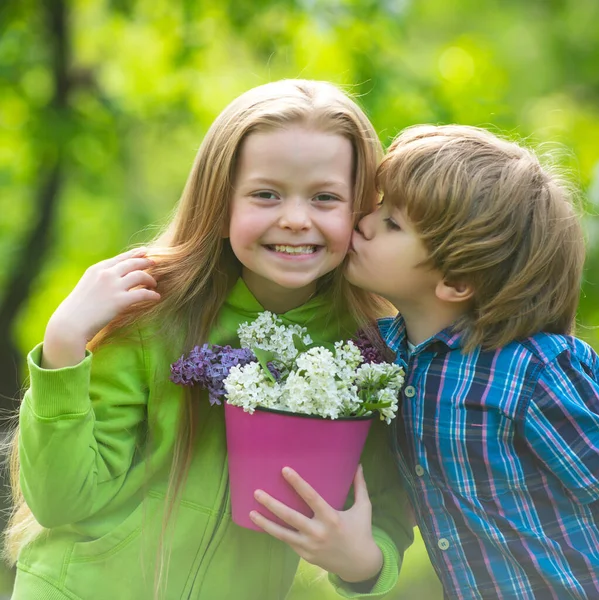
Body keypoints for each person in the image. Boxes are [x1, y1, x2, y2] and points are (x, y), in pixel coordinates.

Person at [5, 79, 414, 600]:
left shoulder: (370, 355)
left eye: (325, 197)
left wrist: (364, 560)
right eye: (266, 194)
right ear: (220, 204)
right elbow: (61, 500)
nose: (294, 219)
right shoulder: (152, 314)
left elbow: (383, 508)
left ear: (360, 213)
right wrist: (63, 344)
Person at [345, 124, 599, 599]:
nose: (363, 220)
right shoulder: (380, 354)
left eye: (392, 223)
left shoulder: (533, 373)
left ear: (457, 282)